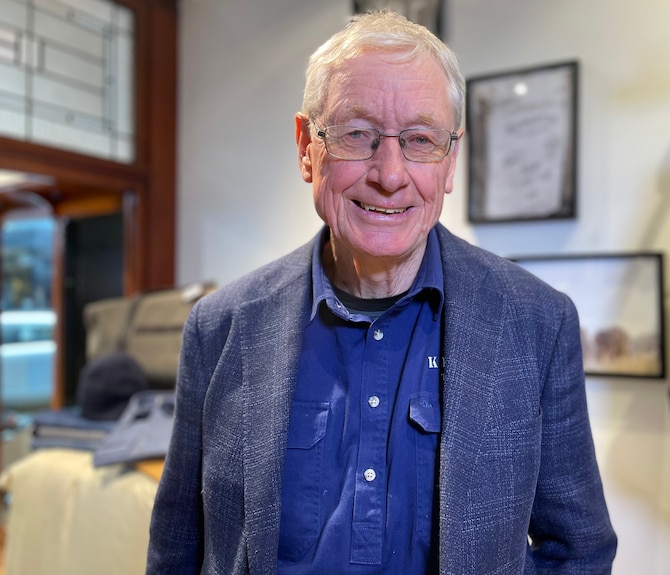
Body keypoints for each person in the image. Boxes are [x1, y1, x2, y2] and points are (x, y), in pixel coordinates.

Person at [146, 10, 616, 575]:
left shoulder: (537, 323)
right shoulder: (220, 327)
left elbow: (579, 549)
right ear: (306, 147)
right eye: (356, 135)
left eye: (420, 139)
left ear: (450, 161)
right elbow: (177, 547)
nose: (389, 174)